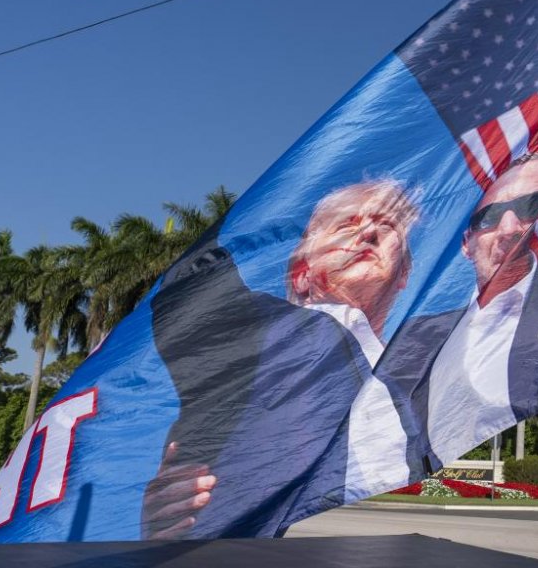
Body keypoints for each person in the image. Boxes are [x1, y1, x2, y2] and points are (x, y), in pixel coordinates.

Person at [141, 179, 420, 539]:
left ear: (404, 274)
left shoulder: (412, 367)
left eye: (387, 225)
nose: (368, 231)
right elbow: (191, 293)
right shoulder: (262, 329)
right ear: (301, 275)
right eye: (346, 225)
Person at [381, 151, 538, 471]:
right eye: (490, 217)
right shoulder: (419, 336)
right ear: (466, 243)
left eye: (528, 207)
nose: (509, 228)